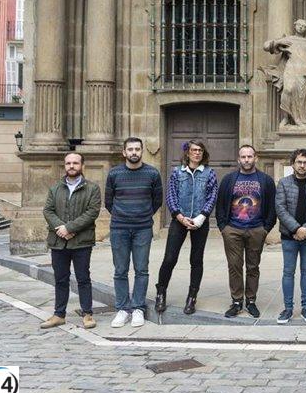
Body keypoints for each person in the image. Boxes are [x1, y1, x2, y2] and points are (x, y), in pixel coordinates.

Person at [105, 137, 163, 329]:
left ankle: (138, 308)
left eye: (137, 149)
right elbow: (108, 201)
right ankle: (123, 309)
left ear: (142, 151)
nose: (134, 152)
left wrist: (142, 214)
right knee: (120, 270)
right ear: (124, 152)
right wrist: (123, 215)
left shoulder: (152, 173)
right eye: (130, 149)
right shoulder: (114, 173)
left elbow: (157, 200)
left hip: (143, 228)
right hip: (119, 228)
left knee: (141, 269)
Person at [155, 139, 218, 316]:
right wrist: (179, 216)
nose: (197, 153)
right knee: (170, 258)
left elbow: (212, 196)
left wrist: (201, 217)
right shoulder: (177, 172)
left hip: (200, 221)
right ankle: (161, 292)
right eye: (194, 150)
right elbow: (171, 195)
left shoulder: (209, 173)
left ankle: (192, 297)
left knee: (196, 260)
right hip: (179, 221)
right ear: (188, 153)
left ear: (203, 154)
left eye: (200, 150)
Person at [40, 152, 102, 330]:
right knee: (60, 279)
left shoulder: (92, 188)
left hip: (82, 241)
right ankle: (59, 315)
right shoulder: (55, 188)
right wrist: (60, 228)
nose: (71, 166)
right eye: (68, 163)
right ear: (65, 165)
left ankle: (87, 314)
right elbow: (48, 210)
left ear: (82, 165)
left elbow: (92, 212)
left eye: (75, 163)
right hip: (58, 241)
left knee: (83, 278)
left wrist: (69, 228)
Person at [215, 145, 277, 319]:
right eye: (243, 157)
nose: (247, 160)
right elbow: (220, 205)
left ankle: (251, 301)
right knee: (234, 266)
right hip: (233, 229)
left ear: (255, 158)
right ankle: (236, 302)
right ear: (238, 159)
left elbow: (273, 206)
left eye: (250, 156)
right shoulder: (229, 180)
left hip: (256, 229)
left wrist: (266, 228)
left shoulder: (265, 180)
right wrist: (223, 227)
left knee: (253, 266)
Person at [275, 148, 306, 324]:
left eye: (305, 162)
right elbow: (280, 208)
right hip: (289, 236)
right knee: (288, 272)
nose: (302, 165)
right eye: (299, 162)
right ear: (293, 164)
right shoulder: (283, 183)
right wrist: (297, 229)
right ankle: (288, 309)